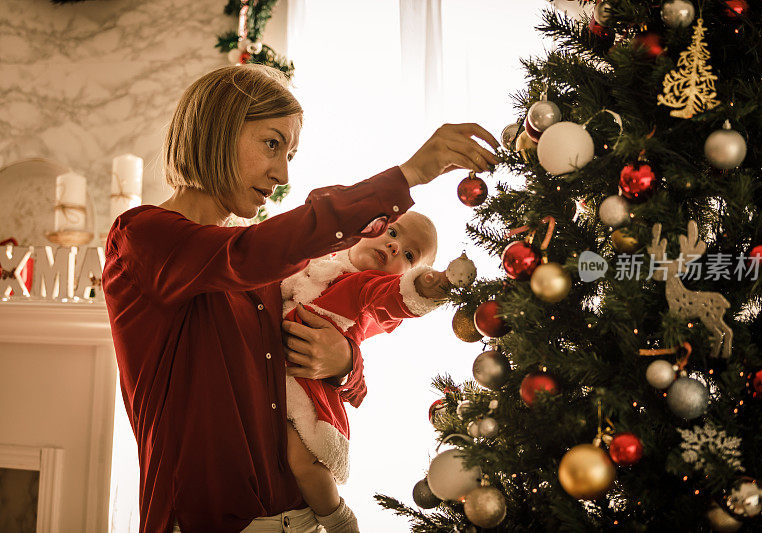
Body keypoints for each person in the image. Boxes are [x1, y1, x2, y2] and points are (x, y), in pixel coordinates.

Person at [102, 63, 498, 533]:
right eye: (272, 143)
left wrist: (344, 361)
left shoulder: (266, 268)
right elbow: (249, 253)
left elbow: (329, 361)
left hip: (300, 519)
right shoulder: (143, 236)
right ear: (218, 129)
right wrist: (407, 176)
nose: (283, 172)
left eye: (290, 152)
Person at [281, 211, 448, 532]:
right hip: (268, 372)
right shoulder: (316, 257)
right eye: (394, 233)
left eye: (410, 255)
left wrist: (424, 289)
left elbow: (392, 297)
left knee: (301, 458)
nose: (395, 246)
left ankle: (336, 517)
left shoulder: (365, 285)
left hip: (305, 386)